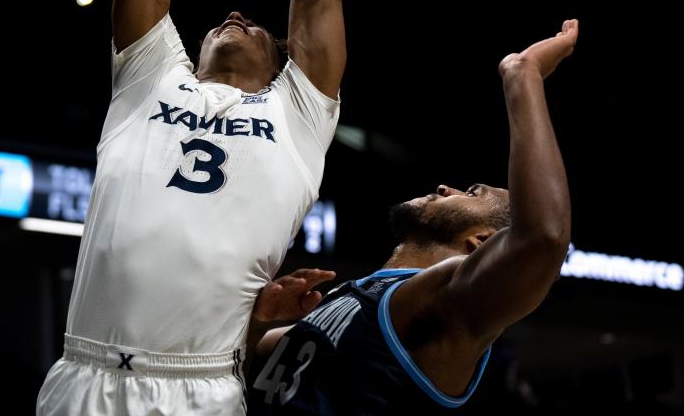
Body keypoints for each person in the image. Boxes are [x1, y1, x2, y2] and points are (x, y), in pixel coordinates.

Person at [37, 0, 345, 415]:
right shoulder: (151, 76)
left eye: (255, 24)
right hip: (83, 372)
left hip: (196, 388)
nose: (234, 14)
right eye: (221, 20)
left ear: (283, 60)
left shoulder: (297, 115)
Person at [245, 20, 578, 415]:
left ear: (483, 243)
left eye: (472, 194)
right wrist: (254, 320)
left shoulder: (445, 302)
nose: (444, 188)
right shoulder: (356, 296)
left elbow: (543, 237)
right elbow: (245, 360)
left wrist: (523, 75)